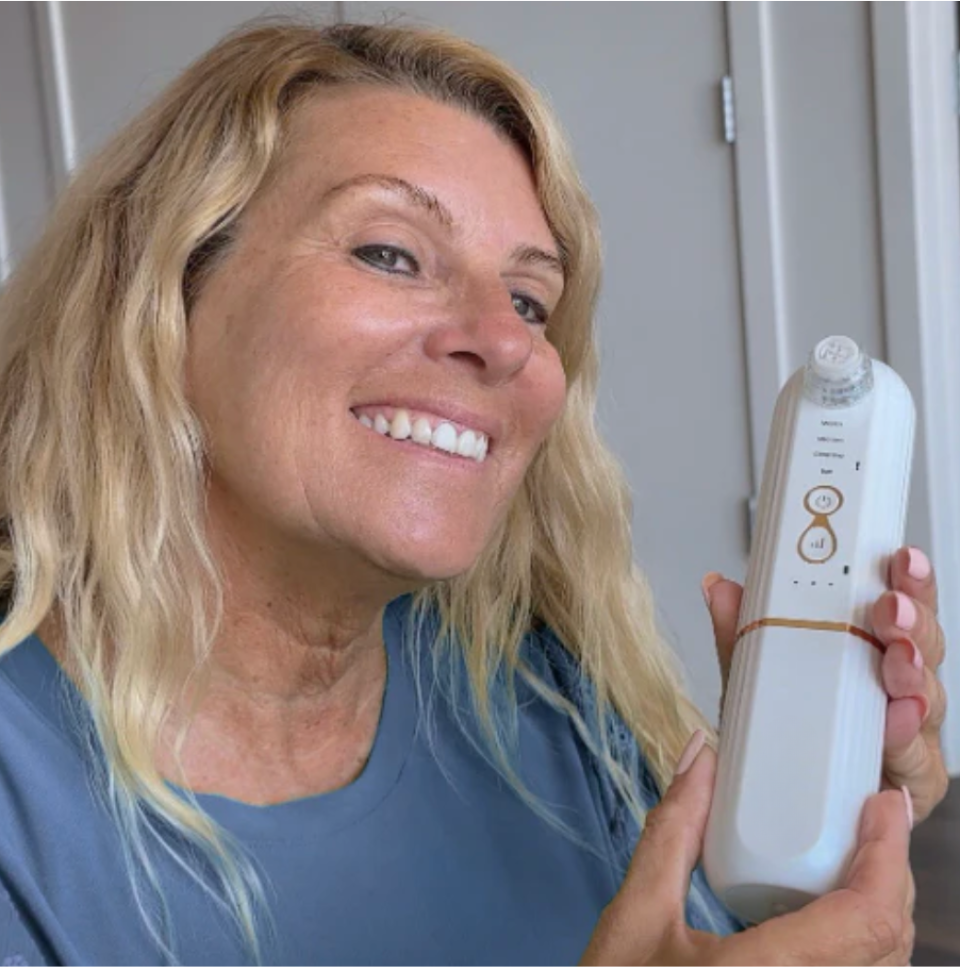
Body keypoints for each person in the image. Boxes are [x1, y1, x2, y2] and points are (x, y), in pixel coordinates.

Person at [0, 20, 947, 966]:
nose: (502, 340)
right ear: (164, 293)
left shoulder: (544, 695)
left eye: (531, 302)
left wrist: (822, 840)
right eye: (389, 253)